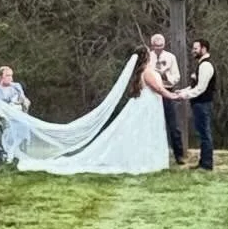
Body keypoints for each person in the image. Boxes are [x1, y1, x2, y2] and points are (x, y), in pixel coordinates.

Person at [14, 46, 170, 176]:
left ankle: (145, 158)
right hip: (147, 106)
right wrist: (174, 96)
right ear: (147, 57)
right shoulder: (147, 72)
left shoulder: (143, 72)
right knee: (144, 132)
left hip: (146, 105)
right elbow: (158, 88)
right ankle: (146, 160)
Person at [172, 39, 218, 172]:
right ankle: (203, 162)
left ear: (204, 49)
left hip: (203, 104)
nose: (193, 51)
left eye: (196, 48)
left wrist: (184, 96)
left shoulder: (206, 66)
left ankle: (207, 164)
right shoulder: (201, 65)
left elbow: (201, 89)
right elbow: (194, 86)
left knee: (205, 134)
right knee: (202, 133)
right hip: (199, 104)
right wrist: (183, 91)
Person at [148, 34, 185, 166]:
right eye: (156, 46)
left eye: (161, 46)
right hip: (152, 93)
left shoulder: (170, 57)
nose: (158, 48)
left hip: (168, 91)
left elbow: (177, 76)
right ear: (152, 45)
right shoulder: (148, 57)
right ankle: (153, 153)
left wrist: (167, 78)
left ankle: (179, 154)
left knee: (173, 124)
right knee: (152, 124)